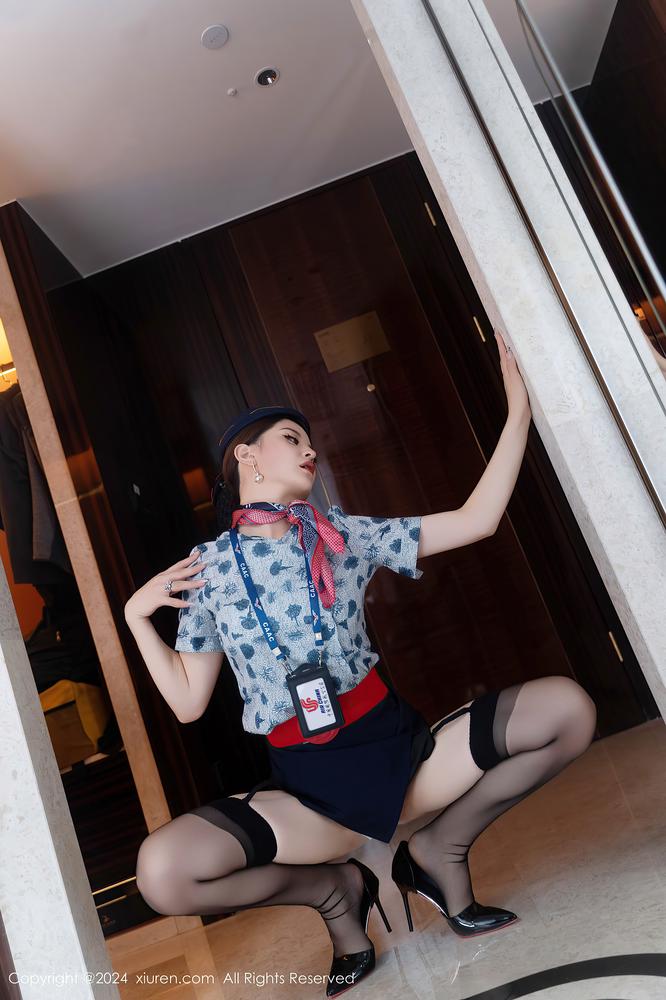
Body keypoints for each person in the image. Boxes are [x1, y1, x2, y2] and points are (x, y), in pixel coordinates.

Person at [124, 331, 597, 997]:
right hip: (311, 796)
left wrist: (518, 412)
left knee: (568, 710)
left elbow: (478, 520)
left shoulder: (341, 534)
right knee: (163, 873)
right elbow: (187, 702)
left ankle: (439, 850)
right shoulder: (206, 571)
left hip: (401, 756)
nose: (310, 449)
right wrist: (135, 617)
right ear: (246, 457)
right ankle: (335, 893)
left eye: (309, 441)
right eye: (292, 438)